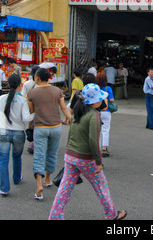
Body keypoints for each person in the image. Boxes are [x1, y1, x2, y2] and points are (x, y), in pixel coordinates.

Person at [48, 83, 127, 220]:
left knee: (64, 190)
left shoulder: (78, 112)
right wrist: (99, 162)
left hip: (70, 156)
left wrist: (68, 153)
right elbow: (93, 141)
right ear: (96, 101)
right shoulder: (94, 115)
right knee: (101, 187)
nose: (103, 101)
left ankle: (55, 217)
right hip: (86, 159)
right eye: (101, 99)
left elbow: (71, 134)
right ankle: (111, 214)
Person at [27, 67, 72, 200]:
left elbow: (31, 112)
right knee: (52, 153)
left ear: (37, 78)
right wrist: (69, 118)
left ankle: (39, 185)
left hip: (40, 127)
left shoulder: (32, 93)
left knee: (39, 156)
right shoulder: (57, 91)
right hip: (56, 127)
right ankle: (47, 179)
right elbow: (64, 108)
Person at [0, 74, 35, 196]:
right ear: (20, 85)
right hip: (18, 133)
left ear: (8, 85)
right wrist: (35, 114)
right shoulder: (22, 100)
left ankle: (4, 188)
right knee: (16, 157)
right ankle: (16, 178)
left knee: (3, 159)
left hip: (3, 132)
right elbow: (26, 118)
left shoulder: (1, 98)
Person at [21, 65, 40, 154]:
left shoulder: (26, 83)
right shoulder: (40, 85)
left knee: (30, 126)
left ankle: (31, 144)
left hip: (29, 107)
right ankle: (35, 145)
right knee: (38, 126)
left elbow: (23, 96)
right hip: (39, 108)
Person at [96, 72, 115, 157]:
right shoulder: (108, 88)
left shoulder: (95, 89)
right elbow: (112, 100)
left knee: (96, 130)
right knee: (105, 130)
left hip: (96, 111)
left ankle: (95, 147)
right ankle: (104, 149)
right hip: (106, 112)